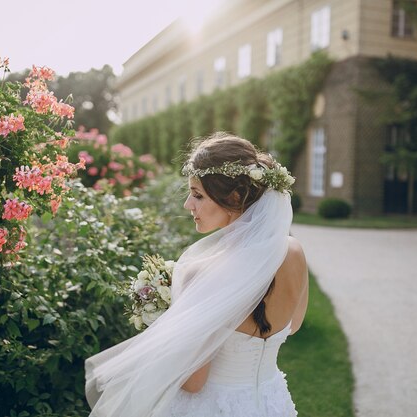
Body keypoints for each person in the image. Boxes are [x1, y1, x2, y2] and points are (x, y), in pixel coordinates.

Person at [85, 133, 309, 417]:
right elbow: (293, 325)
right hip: (270, 401)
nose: (188, 205)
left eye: (198, 195)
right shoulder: (294, 252)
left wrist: (169, 322)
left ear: (235, 197)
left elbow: (193, 382)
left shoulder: (200, 273)